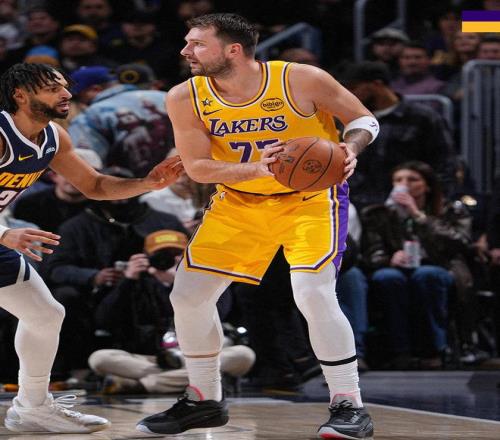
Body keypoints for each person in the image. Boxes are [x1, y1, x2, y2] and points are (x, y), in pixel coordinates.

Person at [136, 13, 379, 439]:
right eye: (187, 42)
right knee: (188, 296)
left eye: (197, 44)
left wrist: (349, 147)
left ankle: (349, 405)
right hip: (239, 202)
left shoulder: (299, 78)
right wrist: (256, 169)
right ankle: (204, 399)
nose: (185, 51)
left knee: (313, 293)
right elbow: (197, 166)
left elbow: (365, 120)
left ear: (233, 49)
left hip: (309, 201)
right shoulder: (184, 96)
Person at [0, 62, 183, 433]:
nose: (66, 93)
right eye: (53, 88)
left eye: (65, 86)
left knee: (45, 315)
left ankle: (32, 407)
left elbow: (95, 186)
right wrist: (4, 234)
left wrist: (147, 183)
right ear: (20, 95)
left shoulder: (54, 137)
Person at [360, 161, 472, 369]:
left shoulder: (450, 210)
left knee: (427, 275)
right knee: (387, 278)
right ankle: (398, 351)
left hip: (440, 266)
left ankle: (433, 350)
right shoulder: (378, 214)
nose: (404, 185)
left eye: (412, 180)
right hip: (395, 268)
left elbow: (461, 243)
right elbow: (371, 250)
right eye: (398, 180)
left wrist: (419, 216)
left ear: (427, 186)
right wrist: (388, 258)